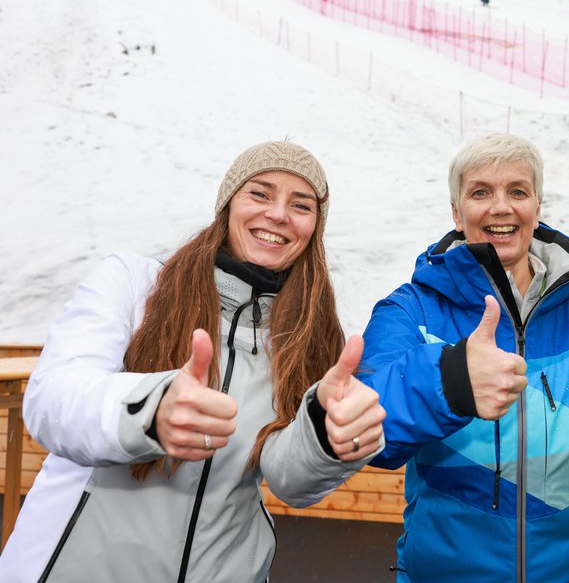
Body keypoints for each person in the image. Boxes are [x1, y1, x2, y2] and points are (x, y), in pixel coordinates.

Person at [0, 141, 385, 583]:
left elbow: (289, 481)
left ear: (314, 228)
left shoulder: (305, 335)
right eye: (259, 193)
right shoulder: (133, 283)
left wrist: (325, 436)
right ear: (226, 204)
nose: (278, 214)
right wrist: (151, 409)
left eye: (301, 205)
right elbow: (55, 400)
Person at [359, 133, 569, 582]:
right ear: (456, 211)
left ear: (537, 206)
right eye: (481, 192)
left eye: (518, 192)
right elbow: (368, 431)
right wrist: (449, 381)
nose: (501, 207)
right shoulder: (412, 310)